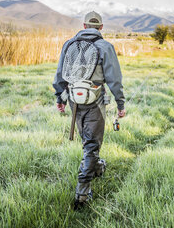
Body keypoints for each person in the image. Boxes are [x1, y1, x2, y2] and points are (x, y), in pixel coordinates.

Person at [52, 11, 126, 209]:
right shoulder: (105, 46)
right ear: (101, 28)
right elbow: (114, 80)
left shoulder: (69, 44)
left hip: (74, 100)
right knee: (92, 144)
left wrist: (59, 97)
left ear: (84, 26)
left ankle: (98, 167)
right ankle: (82, 196)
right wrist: (120, 104)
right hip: (95, 99)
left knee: (87, 142)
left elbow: (60, 74)